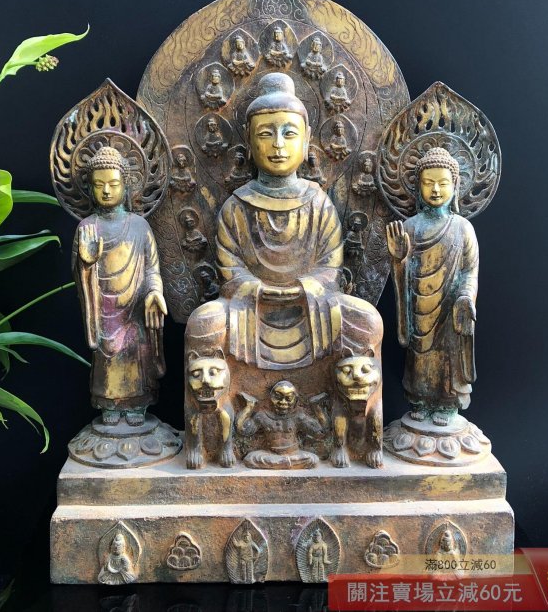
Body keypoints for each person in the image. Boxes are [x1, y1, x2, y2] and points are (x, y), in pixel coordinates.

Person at [185, 73, 382, 371]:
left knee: (367, 320)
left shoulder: (319, 203)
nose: (278, 144)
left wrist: (302, 289)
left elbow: (330, 268)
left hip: (311, 308)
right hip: (250, 311)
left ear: (306, 140)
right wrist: (260, 290)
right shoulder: (236, 207)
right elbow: (230, 272)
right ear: (249, 140)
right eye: (265, 134)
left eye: (289, 134)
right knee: (203, 323)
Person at [74, 146, 166, 426]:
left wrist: (154, 292)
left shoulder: (139, 226)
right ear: (89, 188)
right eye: (98, 185)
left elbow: (152, 268)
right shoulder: (86, 227)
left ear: (126, 185)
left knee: (138, 355)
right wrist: (86, 263)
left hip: (135, 309)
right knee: (107, 357)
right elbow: (79, 276)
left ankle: (137, 405)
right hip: (104, 310)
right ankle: (109, 406)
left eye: (113, 184)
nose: (106, 191)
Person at [386, 147, 478, 426]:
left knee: (448, 356)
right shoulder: (410, 227)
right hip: (418, 308)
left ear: (455, 186)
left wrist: (465, 297)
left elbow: (469, 271)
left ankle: (446, 404)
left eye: (443, 183)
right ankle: (421, 400)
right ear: (418, 187)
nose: (436, 190)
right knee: (420, 357)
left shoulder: (463, 228)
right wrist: (399, 259)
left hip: (450, 309)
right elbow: (402, 272)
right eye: (428, 183)